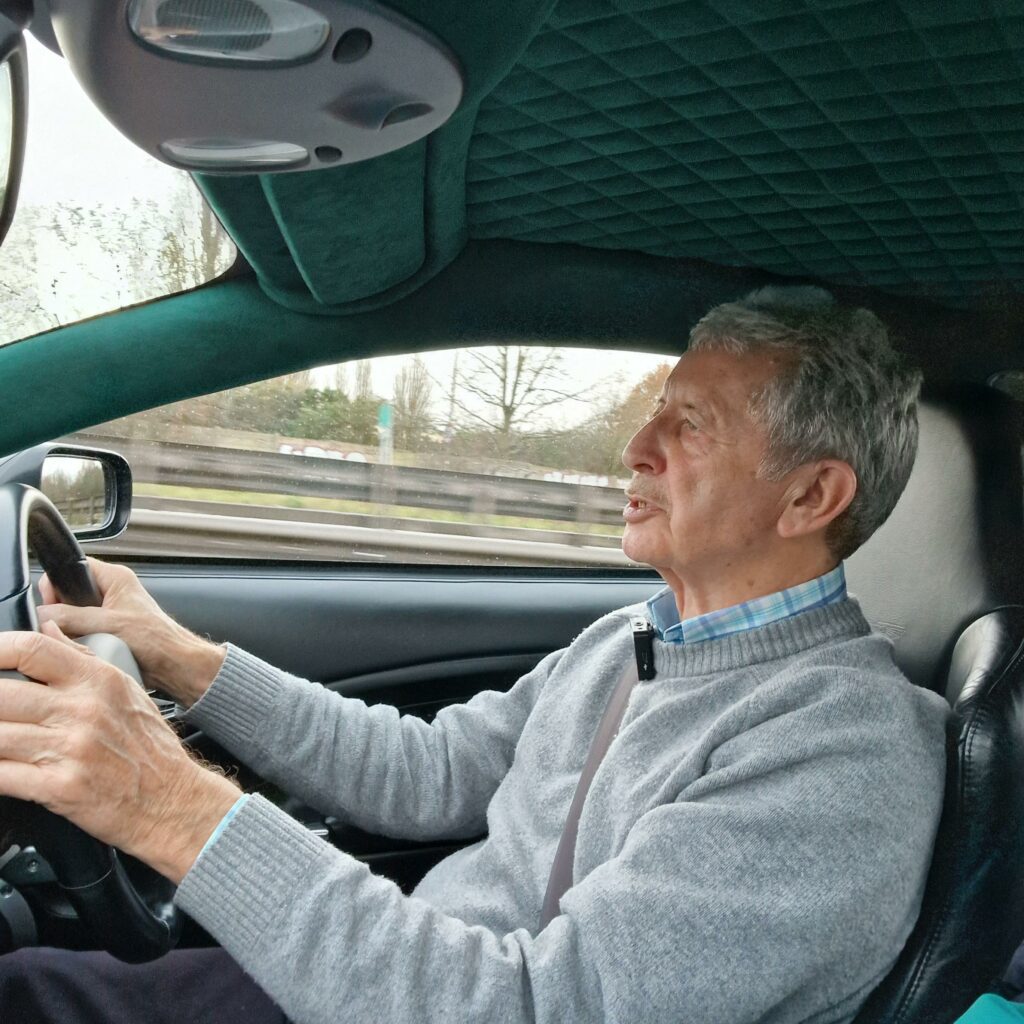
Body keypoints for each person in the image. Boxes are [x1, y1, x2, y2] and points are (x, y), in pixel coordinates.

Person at [0, 286, 948, 1024]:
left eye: (689, 425)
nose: (635, 447)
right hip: (403, 974)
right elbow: (432, 772)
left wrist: (167, 801)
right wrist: (174, 656)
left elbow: (533, 1009)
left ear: (810, 497)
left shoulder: (844, 756)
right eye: (658, 413)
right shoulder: (636, 638)